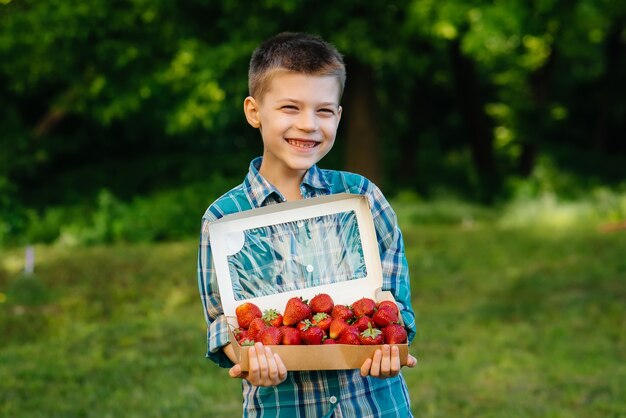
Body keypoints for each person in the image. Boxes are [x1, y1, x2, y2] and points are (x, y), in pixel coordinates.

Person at [197, 32, 417, 417]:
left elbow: (396, 305)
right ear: (253, 112)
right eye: (290, 108)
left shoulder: (361, 197)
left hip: (373, 405)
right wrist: (250, 357)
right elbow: (223, 322)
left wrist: (389, 339)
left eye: (324, 110)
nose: (308, 124)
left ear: (339, 116)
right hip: (285, 406)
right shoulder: (224, 218)